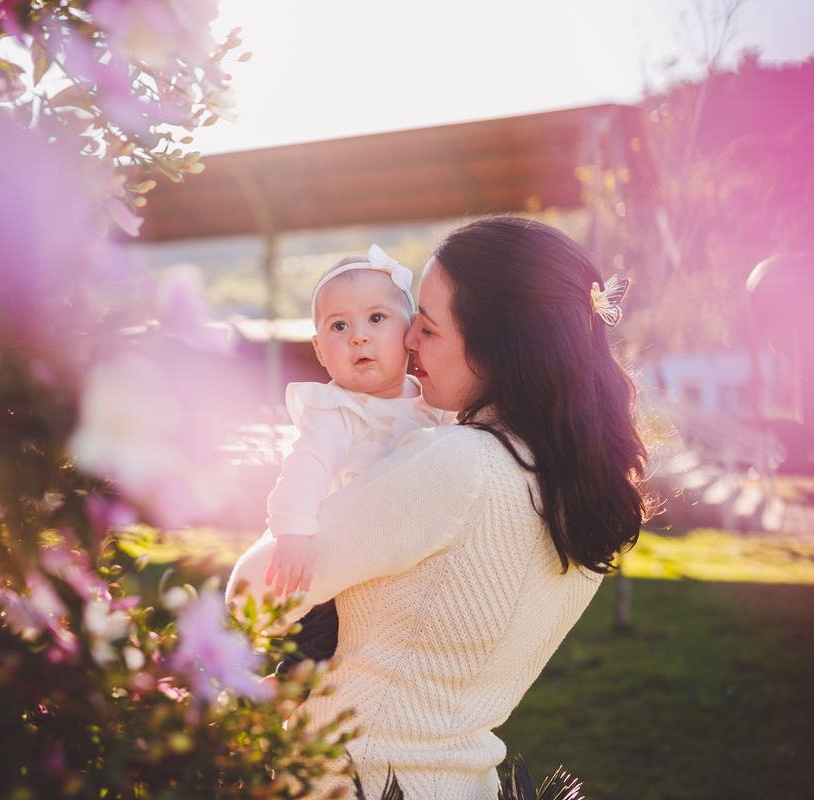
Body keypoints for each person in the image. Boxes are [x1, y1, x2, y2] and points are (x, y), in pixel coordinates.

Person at [226, 216, 648, 800]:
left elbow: (253, 591)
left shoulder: (459, 464)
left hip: (361, 779)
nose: (407, 342)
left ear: (495, 345)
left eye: (426, 328)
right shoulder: (582, 488)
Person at [261, 245, 456, 671]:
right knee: (319, 650)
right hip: (342, 556)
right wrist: (292, 533)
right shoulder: (338, 411)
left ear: (411, 331)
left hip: (402, 551)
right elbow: (306, 466)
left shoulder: (433, 401)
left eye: (376, 318)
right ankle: (284, 689)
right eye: (339, 326)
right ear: (318, 349)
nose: (358, 336)